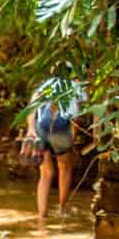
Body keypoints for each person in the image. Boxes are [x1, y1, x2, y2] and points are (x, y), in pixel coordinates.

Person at [26, 79, 82, 221]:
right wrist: (73, 138)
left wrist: (31, 128)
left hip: (41, 127)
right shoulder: (76, 86)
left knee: (45, 173)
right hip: (60, 128)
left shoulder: (47, 83)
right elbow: (76, 115)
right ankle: (62, 209)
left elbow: (32, 104)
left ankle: (41, 215)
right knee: (65, 168)